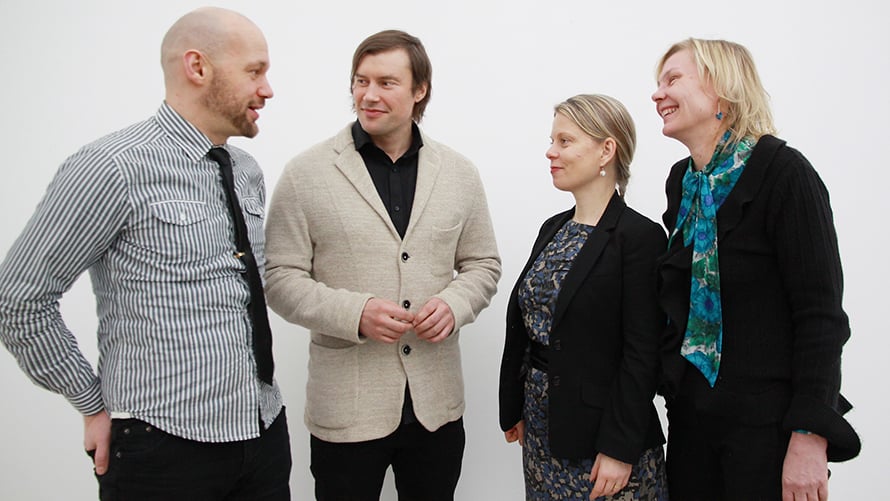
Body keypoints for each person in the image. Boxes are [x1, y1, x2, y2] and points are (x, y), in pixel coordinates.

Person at [0, 7, 290, 500]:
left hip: (262, 431)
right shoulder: (110, 166)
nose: (267, 89)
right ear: (197, 68)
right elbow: (18, 299)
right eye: (255, 71)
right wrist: (91, 404)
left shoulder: (245, 170)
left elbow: (254, 287)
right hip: (163, 447)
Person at [264, 29, 501, 501]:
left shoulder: (459, 173)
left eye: (387, 83)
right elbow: (279, 278)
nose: (368, 95)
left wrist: (455, 303)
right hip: (347, 411)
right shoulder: (305, 172)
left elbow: (483, 263)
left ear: (420, 90)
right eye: (360, 81)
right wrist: (355, 313)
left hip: (436, 408)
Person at [651, 38, 861, 500]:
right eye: (657, 83)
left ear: (721, 88)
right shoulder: (681, 183)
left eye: (673, 79)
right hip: (692, 424)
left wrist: (809, 438)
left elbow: (820, 317)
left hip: (769, 431)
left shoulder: (785, 174)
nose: (657, 94)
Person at [499, 94, 668, 501]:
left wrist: (618, 448)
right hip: (543, 431)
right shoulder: (553, 228)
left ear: (606, 150)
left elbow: (642, 352)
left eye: (565, 141)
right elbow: (532, 324)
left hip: (604, 443)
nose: (550, 152)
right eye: (552, 140)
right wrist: (517, 404)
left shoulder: (639, 239)